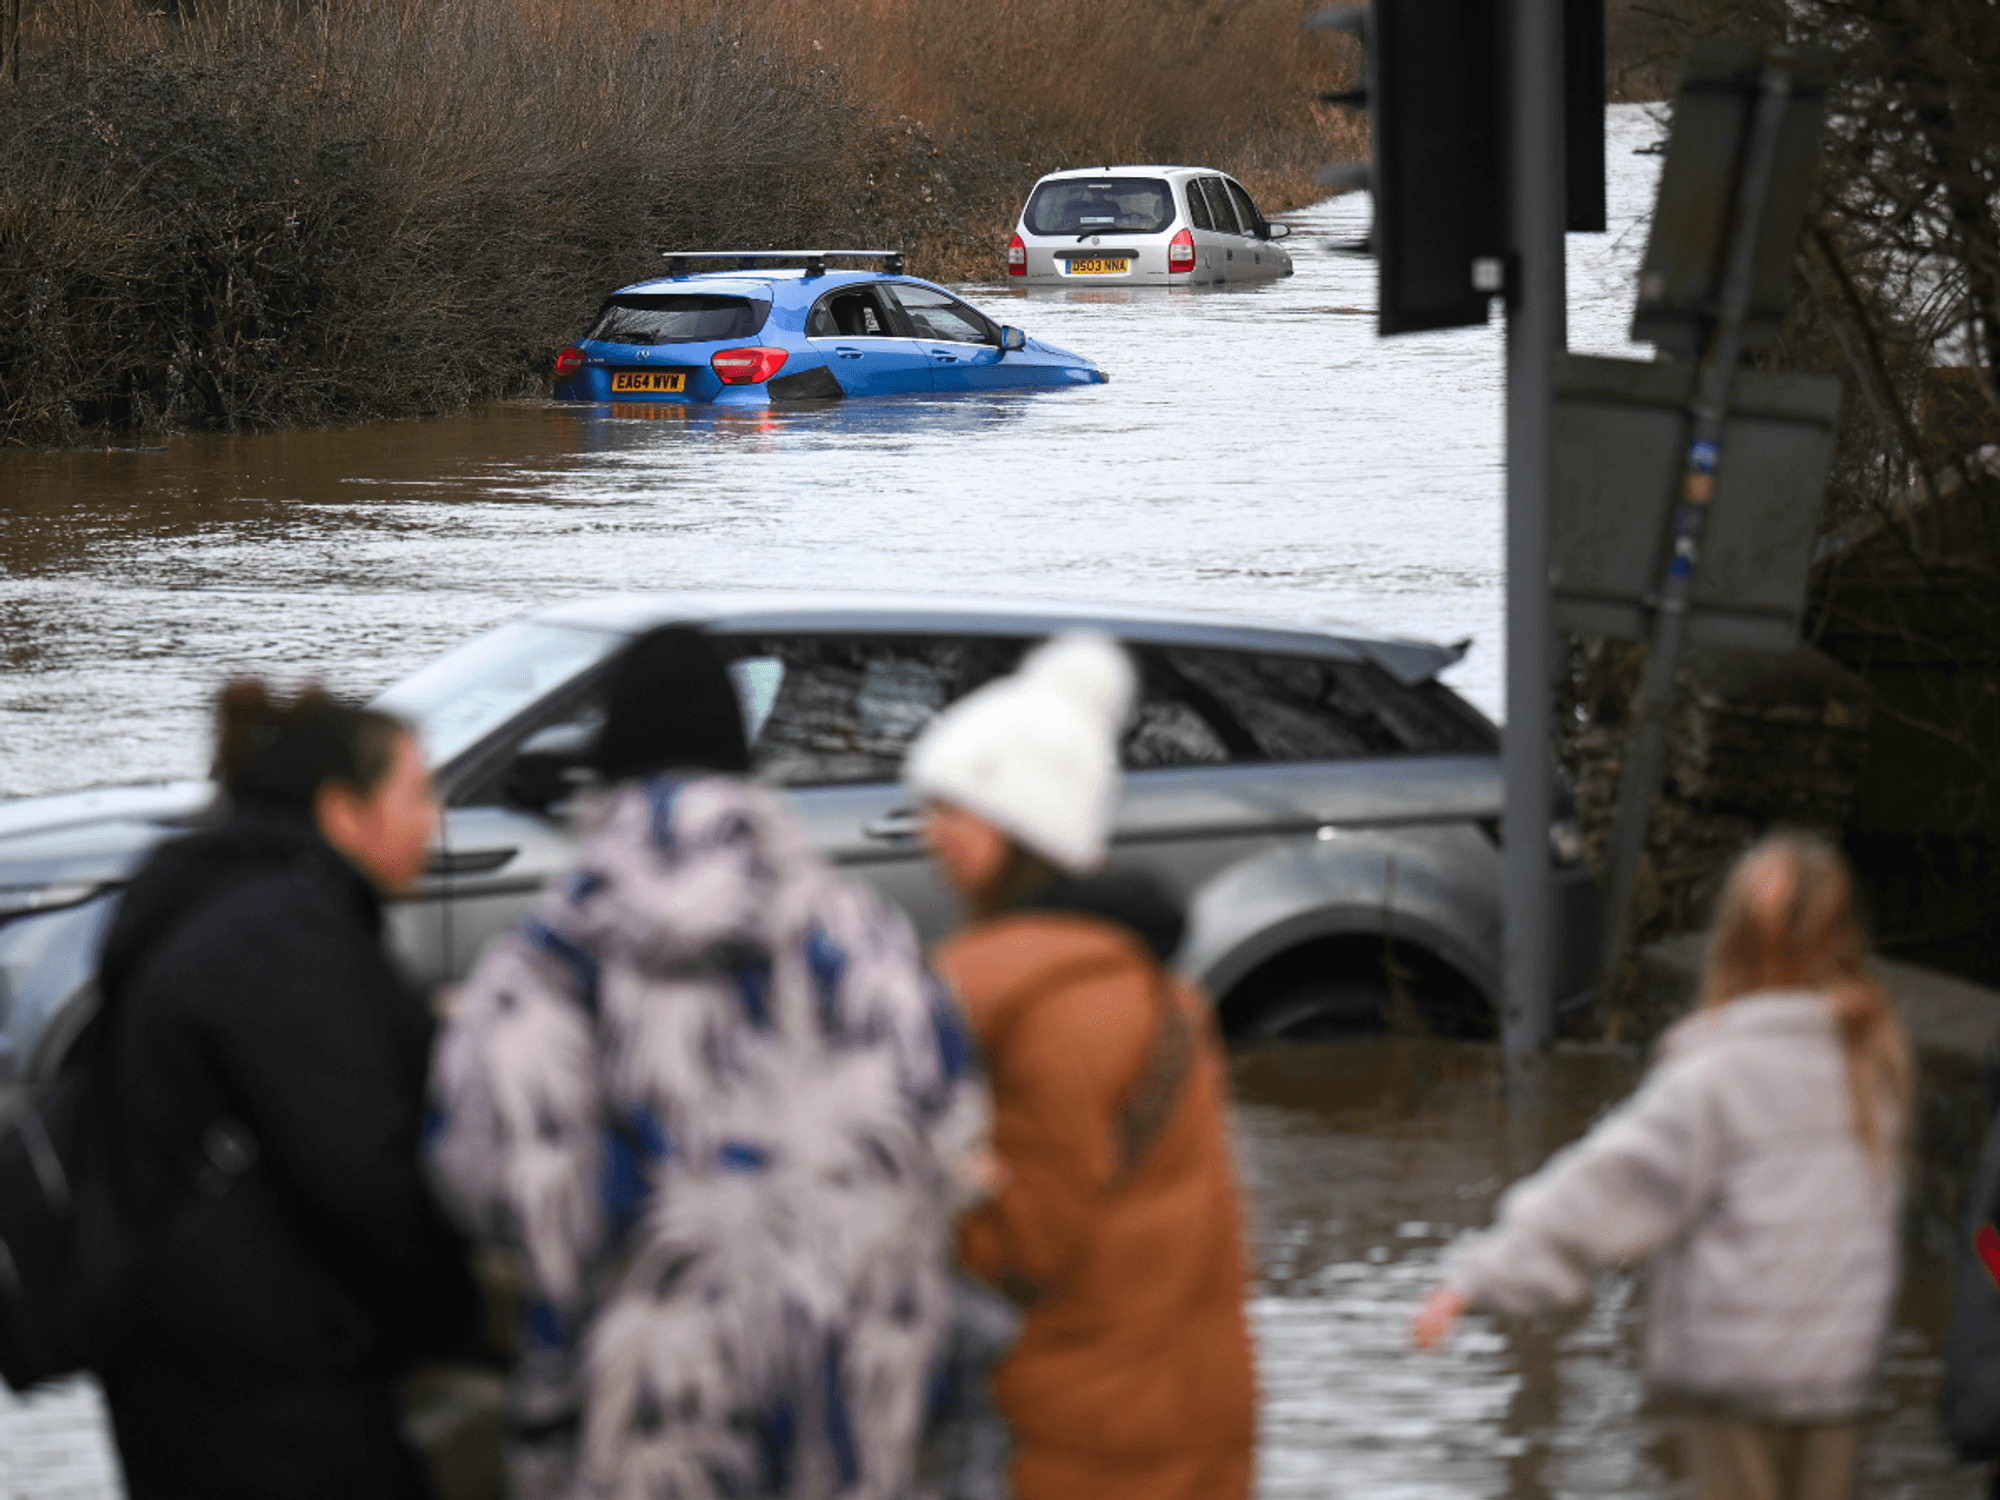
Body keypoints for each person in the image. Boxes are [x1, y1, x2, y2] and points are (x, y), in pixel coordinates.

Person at [424, 625, 989, 1500]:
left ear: (609, 762)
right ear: (740, 762)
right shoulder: (866, 940)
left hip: (633, 1416)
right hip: (839, 1415)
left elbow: (474, 1176)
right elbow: (958, 1142)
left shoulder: (547, 959)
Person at [1412, 830, 1912, 1500]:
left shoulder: (1718, 1074)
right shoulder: (1875, 1064)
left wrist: (1476, 1278)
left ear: (1727, 942)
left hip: (1738, 1378)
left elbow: (1609, 1184)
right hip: (1837, 1376)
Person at [95, 681, 480, 1500]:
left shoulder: (213, 889)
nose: (432, 818)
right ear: (345, 813)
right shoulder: (284, 938)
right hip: (264, 1386)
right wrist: (467, 1317)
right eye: (415, 793)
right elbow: (362, 1173)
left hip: (185, 1357)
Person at [904, 632, 1257, 1500]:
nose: (927, 833)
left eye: (953, 809)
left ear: (1021, 830)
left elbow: (1024, 1242)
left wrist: (910, 1187)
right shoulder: (1156, 990)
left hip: (1073, 1438)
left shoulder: (1022, 995)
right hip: (1183, 1414)